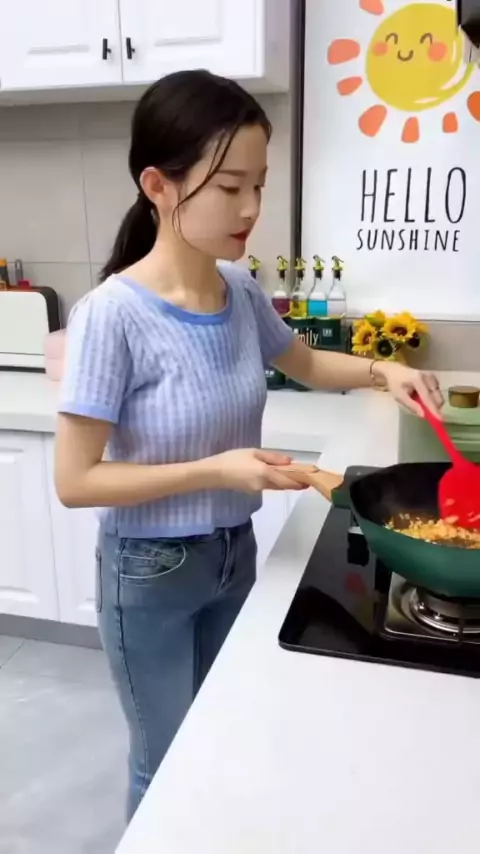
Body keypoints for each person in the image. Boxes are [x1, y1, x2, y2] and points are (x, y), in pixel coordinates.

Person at [54, 70, 443, 821]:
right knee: (164, 764)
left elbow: (306, 363)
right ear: (158, 186)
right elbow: (76, 481)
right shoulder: (112, 315)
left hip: (232, 554)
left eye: (259, 185)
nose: (251, 208)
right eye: (230, 186)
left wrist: (383, 370)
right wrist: (216, 470)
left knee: (218, 736)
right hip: (150, 573)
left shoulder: (237, 289)